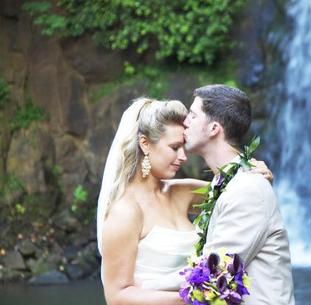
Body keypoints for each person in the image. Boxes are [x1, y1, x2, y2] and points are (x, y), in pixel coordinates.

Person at [96, 97, 273, 305]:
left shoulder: (183, 191)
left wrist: (254, 172)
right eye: (174, 147)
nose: (183, 156)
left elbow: (239, 193)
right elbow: (117, 296)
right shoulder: (125, 211)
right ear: (145, 144)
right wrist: (195, 299)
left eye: (184, 147)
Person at [183, 84, 295, 305]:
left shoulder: (247, 189)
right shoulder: (226, 183)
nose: (185, 122)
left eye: (193, 116)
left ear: (213, 128)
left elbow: (213, 281)